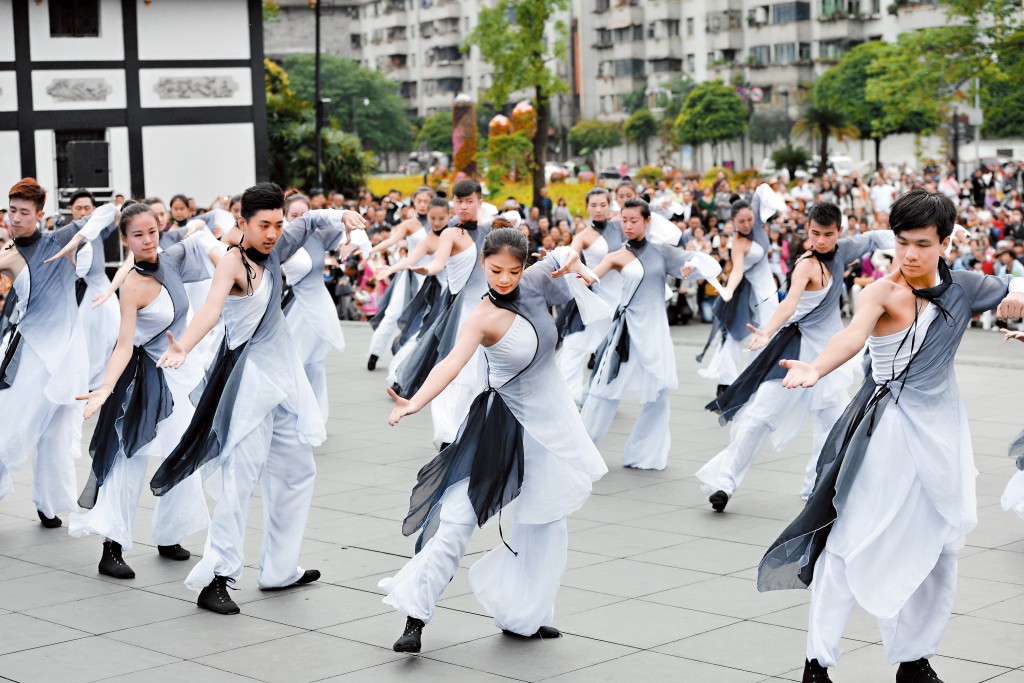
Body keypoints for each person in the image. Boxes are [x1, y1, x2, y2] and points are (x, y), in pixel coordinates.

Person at [758, 189, 1024, 683]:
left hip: (945, 432)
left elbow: (1019, 284)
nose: (910, 255)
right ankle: (817, 662)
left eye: (923, 243)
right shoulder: (879, 291)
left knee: (941, 548)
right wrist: (815, 368)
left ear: (945, 242)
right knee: (849, 539)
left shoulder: (965, 286)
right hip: (887, 431)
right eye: (902, 242)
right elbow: (851, 335)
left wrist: (1018, 300)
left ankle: (913, 659)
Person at [380, 227, 609, 653]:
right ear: (483, 263)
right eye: (495, 270)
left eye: (513, 271)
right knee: (457, 521)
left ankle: (528, 613)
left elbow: (563, 251)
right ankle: (415, 614)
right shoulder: (481, 317)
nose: (504, 279)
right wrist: (414, 402)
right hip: (497, 424)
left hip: (547, 426)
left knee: (545, 520)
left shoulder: (539, 281)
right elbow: (449, 363)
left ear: (525, 266)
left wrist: (578, 264)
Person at [149, 182, 366, 615]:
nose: (271, 233)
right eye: (262, 225)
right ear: (242, 224)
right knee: (240, 481)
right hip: (247, 382)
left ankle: (279, 569)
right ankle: (217, 578)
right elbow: (210, 310)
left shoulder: (281, 240)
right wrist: (182, 346)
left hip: (283, 377)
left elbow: (309, 221)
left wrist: (341, 217)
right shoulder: (231, 262)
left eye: (276, 224)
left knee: (297, 469)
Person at [696, 203, 895, 511]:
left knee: (834, 425)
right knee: (760, 419)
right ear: (807, 231)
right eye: (815, 233)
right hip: (794, 351)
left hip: (829, 356)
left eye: (828, 235)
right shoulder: (806, 264)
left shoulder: (842, 251)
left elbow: (873, 238)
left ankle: (814, 487)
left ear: (838, 232)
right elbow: (789, 304)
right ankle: (724, 482)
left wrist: (927, 235)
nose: (821, 241)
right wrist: (767, 330)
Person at [63, 202, 223, 578]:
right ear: (124, 240)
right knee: (128, 459)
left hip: (179, 375)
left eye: (152, 231)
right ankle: (111, 545)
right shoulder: (132, 286)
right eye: (138, 235)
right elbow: (123, 345)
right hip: (140, 379)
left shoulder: (171, 257)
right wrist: (104, 388)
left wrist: (201, 228)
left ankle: (169, 534)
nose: (148, 240)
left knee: (183, 453)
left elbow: (205, 235)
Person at [0, 178, 116, 528]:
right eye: (11, 211)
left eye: (23, 212)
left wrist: (78, 239)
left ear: (39, 214)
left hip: (67, 355)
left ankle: (48, 504)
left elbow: (110, 212)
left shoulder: (59, 239)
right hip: (30, 354)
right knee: (9, 426)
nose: (15, 219)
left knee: (57, 432)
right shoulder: (8, 253)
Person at [581, 198, 704, 470]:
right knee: (604, 390)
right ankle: (579, 452)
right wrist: (566, 267)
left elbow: (698, 266)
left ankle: (645, 455)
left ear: (647, 222)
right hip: (625, 331)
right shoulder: (616, 256)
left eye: (634, 220)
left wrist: (691, 268)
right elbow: (589, 278)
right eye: (624, 220)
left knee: (659, 394)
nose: (628, 225)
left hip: (655, 330)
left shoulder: (662, 252)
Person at [393, 179, 493, 449]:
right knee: (455, 372)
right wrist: (428, 269)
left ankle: (467, 430)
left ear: (479, 202)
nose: (463, 206)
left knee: (480, 375)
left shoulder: (489, 230)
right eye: (458, 201)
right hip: (461, 313)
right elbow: (438, 261)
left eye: (469, 201)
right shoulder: (450, 233)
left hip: (489, 312)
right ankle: (446, 434)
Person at [281, 193, 370, 424]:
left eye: (303, 215)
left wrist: (350, 243)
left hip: (320, 304)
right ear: (285, 216)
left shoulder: (319, 235)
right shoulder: (282, 238)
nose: (299, 219)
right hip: (296, 308)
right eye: (294, 215)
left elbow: (356, 231)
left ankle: (317, 417)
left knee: (316, 365)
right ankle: (292, 414)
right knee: (294, 363)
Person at [698, 187, 783, 396]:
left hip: (765, 289)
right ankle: (726, 383)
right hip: (743, 290)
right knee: (735, 335)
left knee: (771, 329)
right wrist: (728, 289)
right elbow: (736, 270)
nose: (746, 224)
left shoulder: (756, 218)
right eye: (741, 222)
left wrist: (776, 207)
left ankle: (759, 376)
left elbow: (762, 190)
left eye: (749, 219)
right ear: (733, 222)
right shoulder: (738, 242)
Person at [556, 187, 624, 404]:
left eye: (603, 204)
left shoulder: (621, 225)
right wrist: (559, 260)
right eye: (593, 205)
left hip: (618, 297)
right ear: (586, 207)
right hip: (591, 295)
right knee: (574, 345)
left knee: (609, 349)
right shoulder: (583, 235)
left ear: (610, 205)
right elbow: (570, 253)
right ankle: (568, 396)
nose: (598, 209)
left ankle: (596, 393)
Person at [367, 186, 435, 370]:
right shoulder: (409, 224)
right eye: (418, 201)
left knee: (424, 318)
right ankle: (374, 352)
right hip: (409, 273)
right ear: (413, 201)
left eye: (426, 201)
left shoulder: (441, 223)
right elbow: (390, 241)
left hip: (431, 275)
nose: (422, 205)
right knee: (393, 314)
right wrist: (369, 250)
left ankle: (409, 359)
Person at [68, 189, 121, 391]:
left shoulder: (97, 228)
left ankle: (109, 376)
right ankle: (88, 379)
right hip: (79, 291)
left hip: (102, 287)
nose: (82, 212)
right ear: (71, 209)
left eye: (87, 208)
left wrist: (97, 214)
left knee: (113, 330)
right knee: (85, 336)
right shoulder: (69, 232)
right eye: (78, 208)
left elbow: (115, 213)